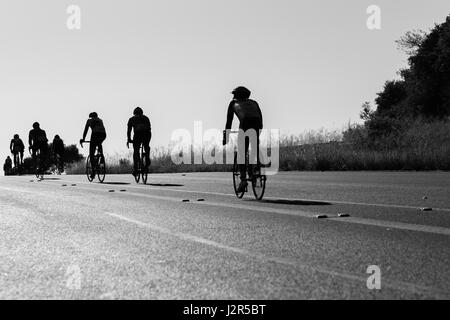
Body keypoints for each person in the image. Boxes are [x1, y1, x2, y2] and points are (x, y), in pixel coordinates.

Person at [223, 86, 263, 193]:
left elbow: (229, 122)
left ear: (238, 95)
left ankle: (243, 180)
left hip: (245, 124)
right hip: (257, 124)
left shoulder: (233, 104)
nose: (233, 97)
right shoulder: (254, 103)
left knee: (241, 152)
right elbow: (260, 118)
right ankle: (255, 168)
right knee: (254, 147)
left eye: (234, 95)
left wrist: (225, 137)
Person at [80, 112, 107, 179]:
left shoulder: (89, 120)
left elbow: (86, 130)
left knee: (91, 153)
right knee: (99, 143)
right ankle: (101, 156)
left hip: (95, 134)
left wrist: (83, 139)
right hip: (103, 134)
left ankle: (93, 171)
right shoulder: (100, 120)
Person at [127, 107, 152, 176]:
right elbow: (149, 128)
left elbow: (129, 131)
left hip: (138, 135)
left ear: (134, 113)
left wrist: (129, 139)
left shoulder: (132, 119)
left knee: (136, 151)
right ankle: (147, 157)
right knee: (146, 145)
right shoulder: (146, 118)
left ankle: (135, 170)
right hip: (147, 134)